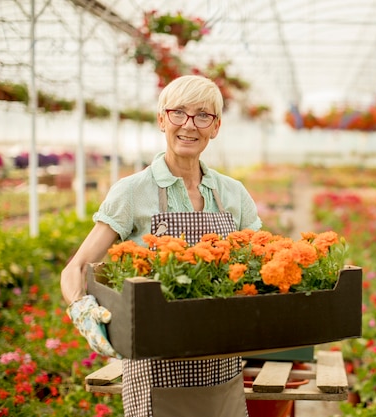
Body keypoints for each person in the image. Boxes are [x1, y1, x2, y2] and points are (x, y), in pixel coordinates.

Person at [60, 74, 262, 417]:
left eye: (203, 115)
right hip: (153, 364)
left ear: (215, 127)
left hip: (221, 361)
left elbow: (261, 257)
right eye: (178, 113)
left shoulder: (233, 194)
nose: (189, 125)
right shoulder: (131, 191)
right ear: (161, 120)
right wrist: (82, 308)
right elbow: (77, 267)